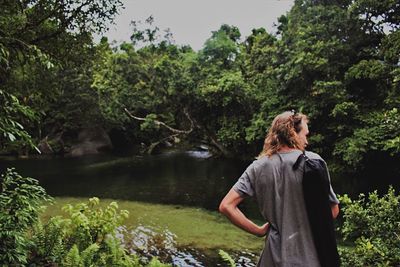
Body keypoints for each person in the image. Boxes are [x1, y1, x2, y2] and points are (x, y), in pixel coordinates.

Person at [219, 111, 340, 267]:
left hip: (273, 259)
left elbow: (226, 206)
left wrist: (258, 231)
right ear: (293, 133)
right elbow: (333, 210)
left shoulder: (257, 167)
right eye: (305, 134)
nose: (306, 141)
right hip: (311, 258)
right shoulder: (313, 163)